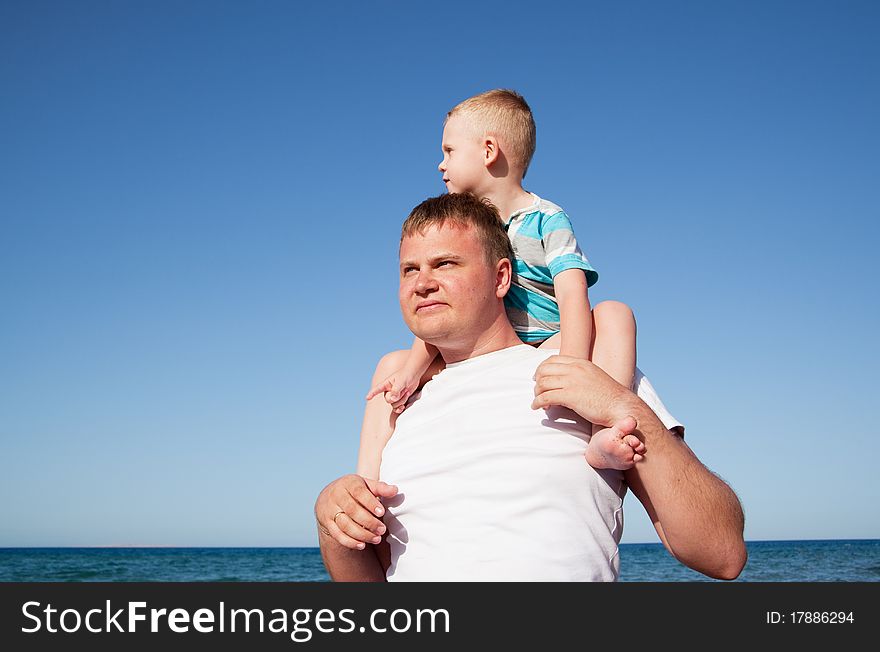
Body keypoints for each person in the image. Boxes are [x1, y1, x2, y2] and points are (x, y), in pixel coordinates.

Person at [315, 193, 746, 581]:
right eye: (410, 269)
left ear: (502, 277)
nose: (422, 281)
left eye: (445, 263)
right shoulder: (397, 395)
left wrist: (618, 404)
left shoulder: (589, 368)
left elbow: (722, 554)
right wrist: (331, 522)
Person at [360, 89, 642, 477]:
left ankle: (603, 429)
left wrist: (571, 366)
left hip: (550, 339)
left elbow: (573, 295)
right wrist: (411, 370)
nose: (440, 165)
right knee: (393, 365)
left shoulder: (547, 219)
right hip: (485, 343)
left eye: (449, 151)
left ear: (489, 150)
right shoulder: (472, 228)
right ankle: (367, 480)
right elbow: (438, 308)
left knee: (614, 314)